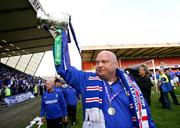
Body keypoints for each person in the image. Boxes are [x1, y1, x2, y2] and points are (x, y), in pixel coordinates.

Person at [55, 48, 156, 127]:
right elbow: (63, 69)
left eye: (104, 62)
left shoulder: (130, 85)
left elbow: (144, 114)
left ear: (116, 64)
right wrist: (60, 37)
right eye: (97, 62)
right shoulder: (86, 80)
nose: (99, 65)